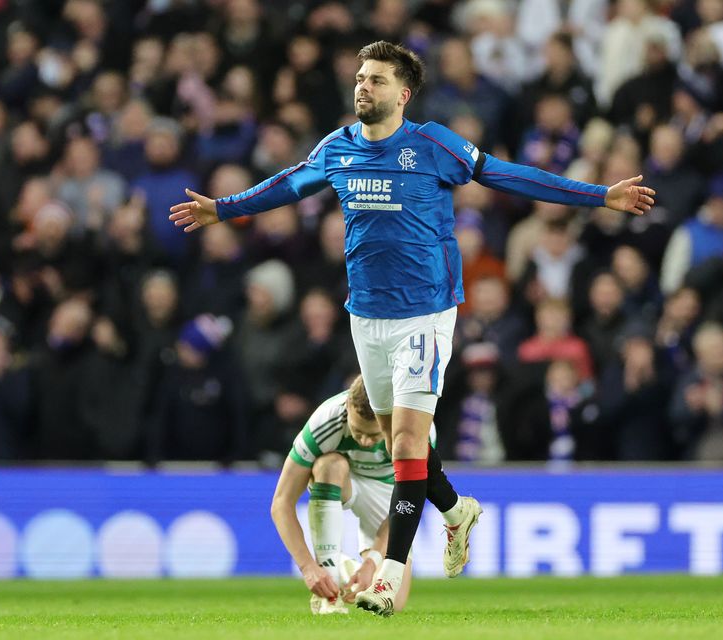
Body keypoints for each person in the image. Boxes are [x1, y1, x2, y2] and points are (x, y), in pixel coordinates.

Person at [169, 40, 655, 616]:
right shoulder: (339, 149)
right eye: (359, 76)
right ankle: (456, 511)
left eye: (375, 79)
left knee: (404, 443)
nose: (361, 86)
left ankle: (390, 573)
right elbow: (286, 185)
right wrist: (223, 209)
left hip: (425, 313)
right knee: (409, 439)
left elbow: (507, 176)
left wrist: (599, 195)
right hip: (365, 317)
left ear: (402, 94)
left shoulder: (433, 144)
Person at [270, 376, 429, 614]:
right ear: (347, 408)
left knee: (391, 603)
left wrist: (371, 562)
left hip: (388, 491)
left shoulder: (416, 431)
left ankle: (343, 567)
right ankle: (329, 588)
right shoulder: (325, 421)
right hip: (344, 479)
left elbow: (405, 507)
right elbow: (281, 503)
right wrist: (308, 567)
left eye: (374, 436)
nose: (365, 442)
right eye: (357, 431)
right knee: (329, 465)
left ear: (390, 419)